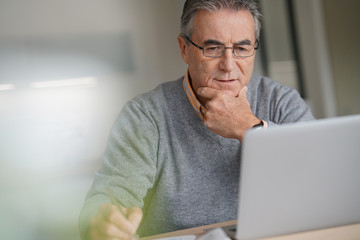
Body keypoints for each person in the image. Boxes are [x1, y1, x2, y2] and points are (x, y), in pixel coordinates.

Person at [79, 0, 314, 239]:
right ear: (184, 49)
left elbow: (318, 179)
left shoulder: (280, 101)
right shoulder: (145, 116)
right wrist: (101, 222)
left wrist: (248, 128)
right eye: (212, 48)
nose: (229, 66)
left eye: (242, 49)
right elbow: (107, 201)